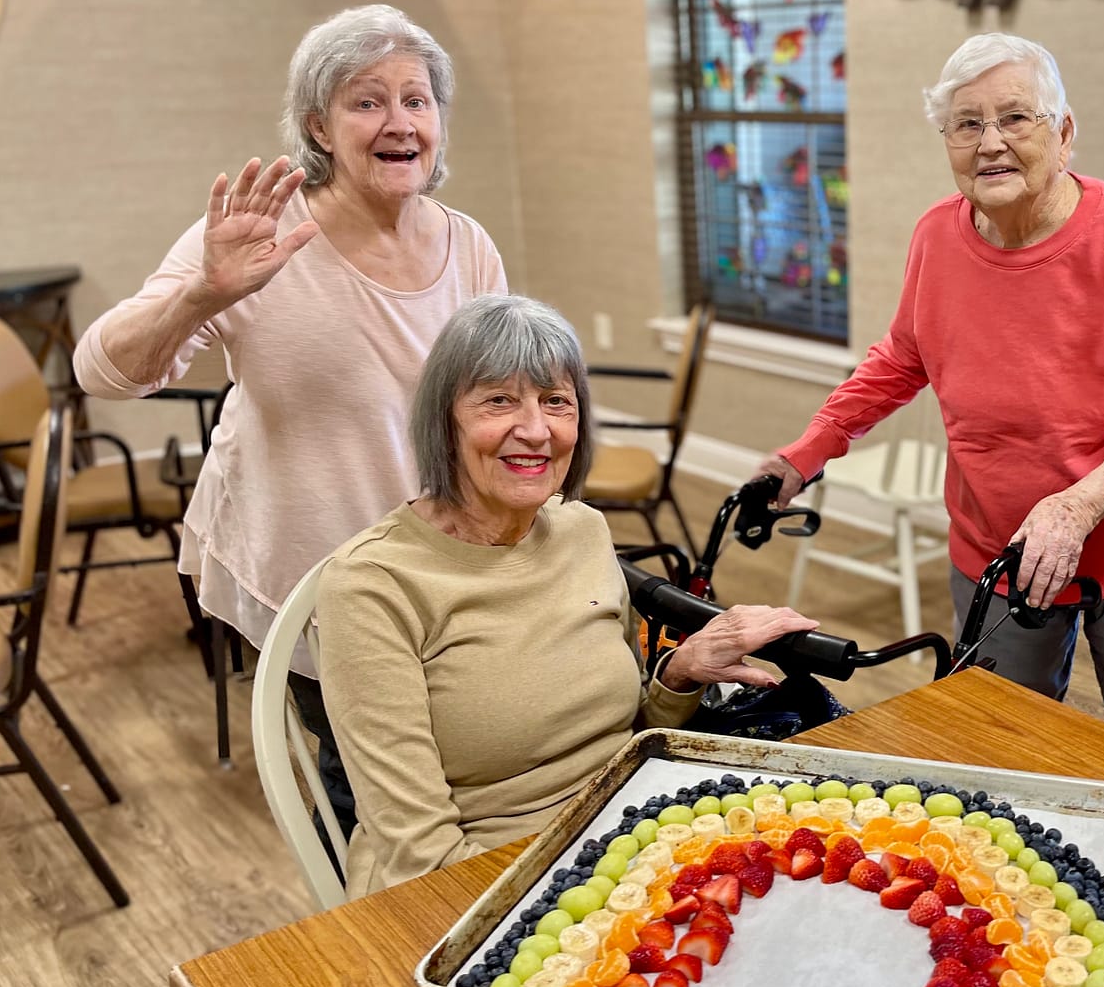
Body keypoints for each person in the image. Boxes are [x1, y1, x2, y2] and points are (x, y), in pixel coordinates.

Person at [74, 5, 505, 838]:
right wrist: (206, 293)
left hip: (443, 562)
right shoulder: (259, 240)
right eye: (366, 101)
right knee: (375, 801)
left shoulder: (469, 243)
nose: (398, 122)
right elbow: (101, 372)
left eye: (417, 100)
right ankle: (384, 948)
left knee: (465, 772)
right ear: (318, 123)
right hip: (317, 565)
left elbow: (493, 396)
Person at [755, 33, 1104, 755]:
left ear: (1063, 134)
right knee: (998, 743)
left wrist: (1076, 507)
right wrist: (805, 453)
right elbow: (901, 358)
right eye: (967, 124)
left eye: (1015, 118)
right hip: (998, 540)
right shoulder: (936, 238)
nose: (990, 143)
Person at [315, 295, 818, 899]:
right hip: (482, 879)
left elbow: (624, 732)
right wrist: (583, 899)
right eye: (498, 400)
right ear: (442, 421)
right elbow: (416, 848)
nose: (535, 430)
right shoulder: (373, 585)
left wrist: (680, 675)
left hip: (632, 832)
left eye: (556, 401)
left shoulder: (582, 527)